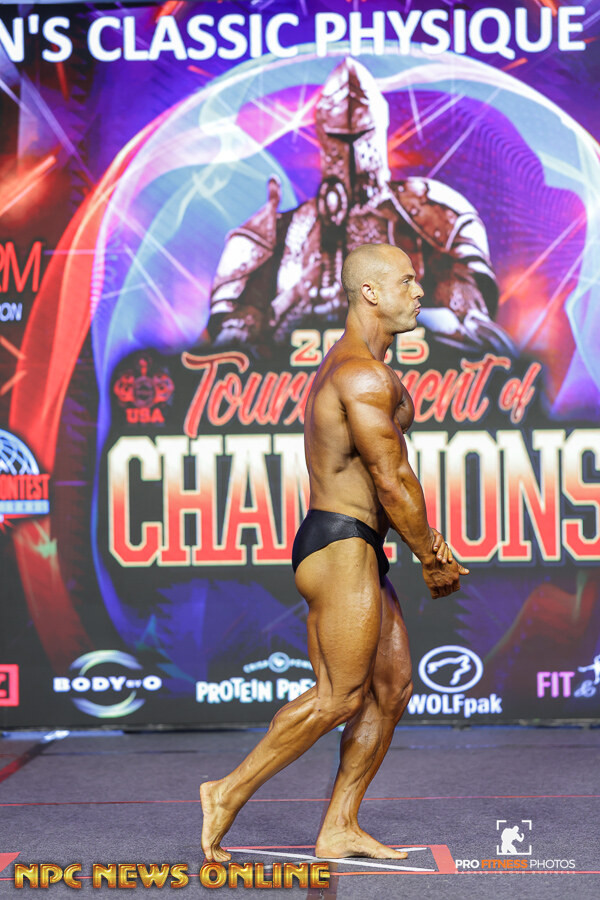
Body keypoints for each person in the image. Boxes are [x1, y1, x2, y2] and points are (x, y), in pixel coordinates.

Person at [200, 243, 469, 862]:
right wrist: (430, 557)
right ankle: (225, 792)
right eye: (407, 282)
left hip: (363, 544)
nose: (419, 292)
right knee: (338, 696)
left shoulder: (366, 369)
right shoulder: (361, 375)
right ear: (370, 292)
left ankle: (340, 824)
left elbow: (386, 479)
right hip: (339, 543)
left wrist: (419, 541)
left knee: (391, 689)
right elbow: (391, 478)